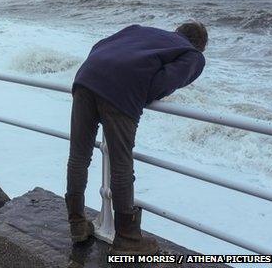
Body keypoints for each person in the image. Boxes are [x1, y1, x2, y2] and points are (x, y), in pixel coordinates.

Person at [65, 23, 208, 254]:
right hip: (121, 91)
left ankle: (77, 225)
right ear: (201, 46)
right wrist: (138, 92)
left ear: (177, 31)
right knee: (121, 166)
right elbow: (166, 81)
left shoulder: (139, 30)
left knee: (79, 157)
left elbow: (100, 46)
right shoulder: (192, 55)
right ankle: (128, 239)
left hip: (87, 77)